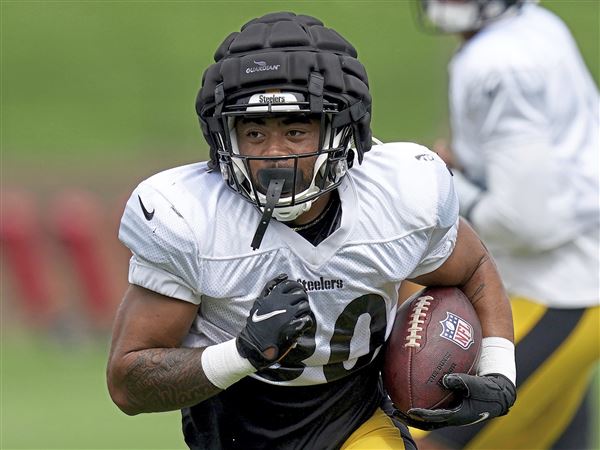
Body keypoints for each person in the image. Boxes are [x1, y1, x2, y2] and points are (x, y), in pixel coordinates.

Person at [106, 12, 517, 449]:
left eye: (296, 130)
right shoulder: (190, 219)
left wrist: (498, 368)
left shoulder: (400, 195)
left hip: (355, 423)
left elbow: (473, 268)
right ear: (224, 136)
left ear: (342, 132)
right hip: (233, 434)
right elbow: (128, 383)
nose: (274, 154)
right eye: (254, 132)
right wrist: (243, 352)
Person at [413, 1, 600, 449]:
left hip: (557, 290)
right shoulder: (534, 26)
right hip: (554, 276)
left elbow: (526, 221)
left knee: (419, 435)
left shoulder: (498, 60)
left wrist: (451, 188)